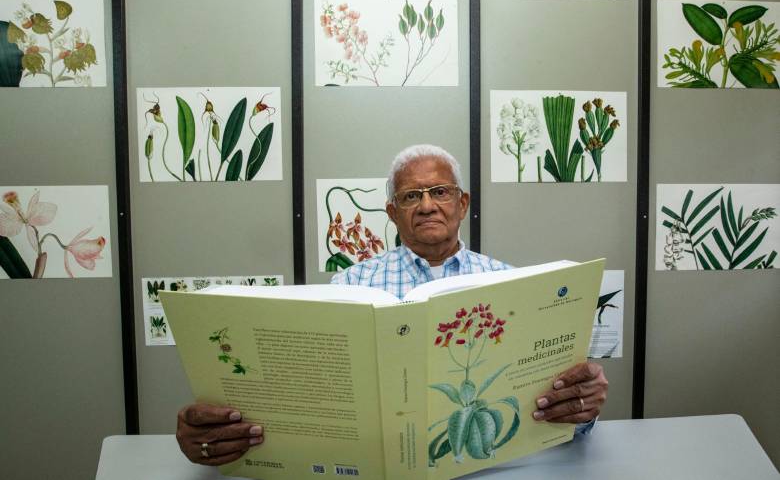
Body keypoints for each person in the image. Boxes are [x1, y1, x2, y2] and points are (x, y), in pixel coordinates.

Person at [175, 144, 608, 465]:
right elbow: (313, 397)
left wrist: (581, 409)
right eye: (410, 197)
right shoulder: (349, 284)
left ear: (463, 204)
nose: (426, 205)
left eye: (440, 191)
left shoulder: (512, 283)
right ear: (391, 212)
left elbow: (554, 398)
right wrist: (223, 429)